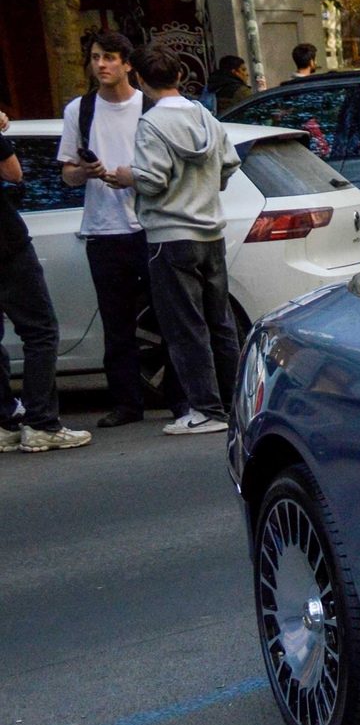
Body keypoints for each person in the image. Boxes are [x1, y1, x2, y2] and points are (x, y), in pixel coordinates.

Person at [128, 47, 239, 436]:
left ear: (139, 80)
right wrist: (205, 188)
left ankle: (205, 410)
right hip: (212, 232)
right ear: (180, 77)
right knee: (220, 324)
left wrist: (128, 175)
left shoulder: (151, 124)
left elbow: (152, 180)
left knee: (185, 326)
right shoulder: (205, 115)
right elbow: (228, 165)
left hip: (170, 235)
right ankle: (234, 403)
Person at [56, 32, 157, 428]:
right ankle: (127, 404)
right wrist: (85, 171)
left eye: (110, 58)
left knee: (167, 319)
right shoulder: (79, 110)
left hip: (150, 227)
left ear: (128, 64)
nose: (101, 65)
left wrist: (133, 179)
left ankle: (183, 399)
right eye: (96, 57)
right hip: (102, 230)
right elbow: (67, 176)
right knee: (117, 326)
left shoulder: (150, 107)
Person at [0, 110, 88, 452]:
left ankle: (5, 419)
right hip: (6, 247)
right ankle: (40, 422)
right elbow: (13, 172)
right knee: (40, 331)